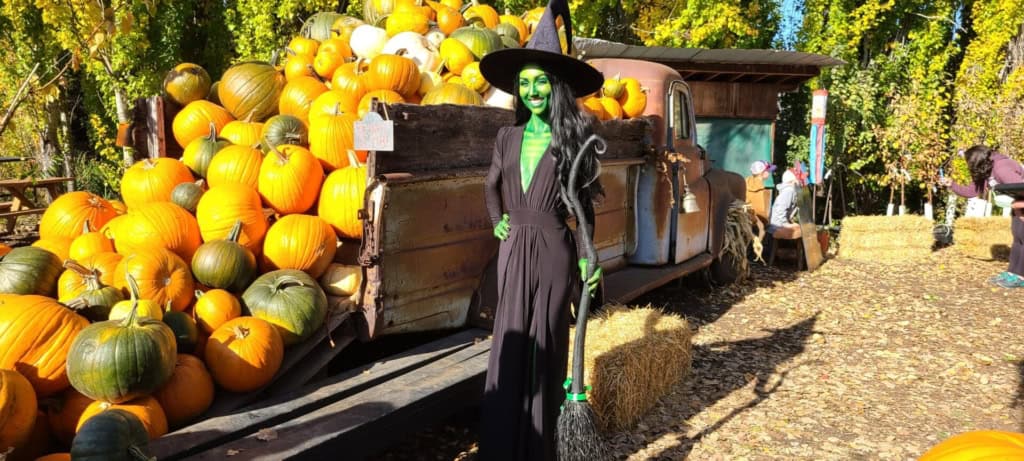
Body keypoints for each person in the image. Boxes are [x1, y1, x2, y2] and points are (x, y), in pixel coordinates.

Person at [477, 0, 603, 459]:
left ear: (556, 88)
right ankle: (502, 446)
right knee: (510, 340)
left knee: (546, 340)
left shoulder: (574, 136)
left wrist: (592, 259)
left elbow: (584, 209)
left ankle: (540, 447)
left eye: (541, 83)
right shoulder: (506, 138)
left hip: (555, 250)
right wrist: (498, 224)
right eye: (525, 83)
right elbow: (490, 186)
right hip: (512, 249)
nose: (532, 90)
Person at [939, 144, 1024, 288]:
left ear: (976, 162)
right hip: (1018, 206)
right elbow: (972, 191)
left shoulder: (1001, 168)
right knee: (1018, 237)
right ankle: (1013, 273)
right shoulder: (986, 169)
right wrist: (951, 185)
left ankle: (1021, 277)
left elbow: (1022, 188)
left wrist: (1017, 207)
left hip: (1021, 204)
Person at [768, 168, 803, 239]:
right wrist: (785, 224)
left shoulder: (791, 190)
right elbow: (780, 209)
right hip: (777, 226)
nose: (800, 181)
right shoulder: (789, 191)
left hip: (780, 224)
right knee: (801, 231)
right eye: (798, 179)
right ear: (792, 181)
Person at [746, 160, 776, 228]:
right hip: (752, 224)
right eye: (768, 171)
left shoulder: (747, 181)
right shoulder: (759, 188)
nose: (769, 173)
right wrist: (766, 223)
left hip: (743, 219)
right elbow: (759, 211)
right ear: (763, 173)